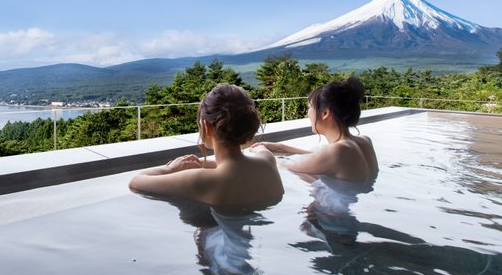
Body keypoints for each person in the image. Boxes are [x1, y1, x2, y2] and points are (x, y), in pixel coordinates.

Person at [129, 83, 284, 207]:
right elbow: (249, 158)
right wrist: (206, 163)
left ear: (206, 126)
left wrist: (171, 169)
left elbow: (136, 181)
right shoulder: (268, 160)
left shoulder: (198, 180)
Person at [254, 77, 378, 182]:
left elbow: (285, 166)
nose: (308, 113)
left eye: (310, 108)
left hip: (332, 210)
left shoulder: (338, 150)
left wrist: (262, 151)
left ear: (325, 113)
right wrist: (281, 146)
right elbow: (318, 157)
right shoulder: (364, 141)